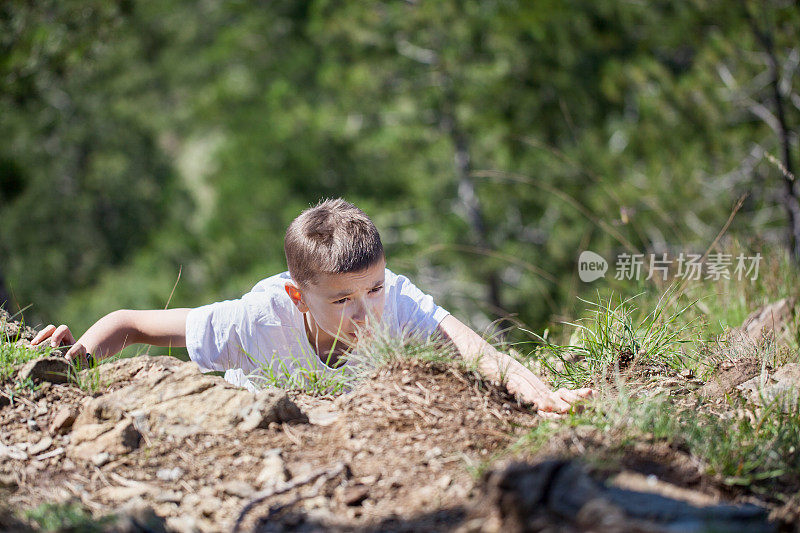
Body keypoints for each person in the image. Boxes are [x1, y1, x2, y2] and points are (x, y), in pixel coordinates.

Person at [31, 198, 592, 413]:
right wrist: (72, 361)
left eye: (372, 290)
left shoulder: (394, 299)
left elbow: (473, 348)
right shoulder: (256, 319)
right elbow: (130, 324)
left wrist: (540, 393)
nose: (366, 311)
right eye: (343, 298)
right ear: (298, 295)